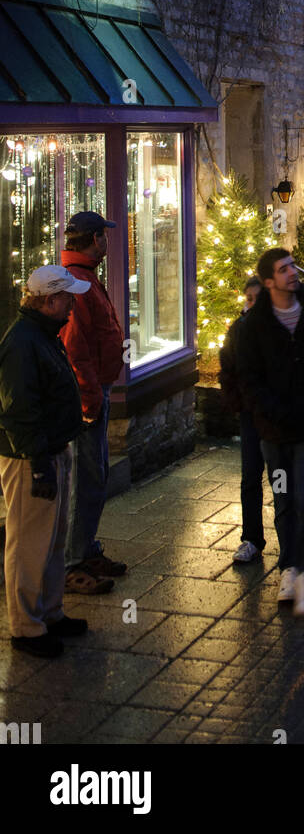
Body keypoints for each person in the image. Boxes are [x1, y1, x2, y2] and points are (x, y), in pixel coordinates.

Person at [233, 248, 304, 616]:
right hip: (274, 435)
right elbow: (248, 379)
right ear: (269, 281)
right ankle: (289, 567)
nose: (292, 274)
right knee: (283, 497)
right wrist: (272, 410)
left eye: (292, 267)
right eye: (283, 270)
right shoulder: (255, 326)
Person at [0, 266, 90, 657]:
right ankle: (25, 626)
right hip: (32, 456)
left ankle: (49, 612)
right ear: (50, 300)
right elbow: (19, 408)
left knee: (52, 538)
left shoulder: (42, 335)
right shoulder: (23, 342)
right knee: (29, 542)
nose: (73, 303)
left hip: (53, 448)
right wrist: (38, 462)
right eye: (68, 297)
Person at [59, 211, 127, 595]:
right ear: (95, 239)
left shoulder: (84, 276)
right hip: (89, 395)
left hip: (96, 389)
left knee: (95, 472)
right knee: (86, 476)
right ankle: (72, 561)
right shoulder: (76, 282)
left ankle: (85, 548)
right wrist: (89, 398)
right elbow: (75, 346)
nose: (107, 242)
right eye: (104, 235)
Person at [219, 277, 266, 564]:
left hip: (274, 416)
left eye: (257, 298)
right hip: (251, 416)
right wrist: (236, 402)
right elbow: (228, 367)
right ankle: (251, 537)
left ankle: (290, 543)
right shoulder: (238, 330)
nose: (252, 303)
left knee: (281, 478)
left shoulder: (278, 330)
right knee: (250, 476)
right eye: (249, 298)